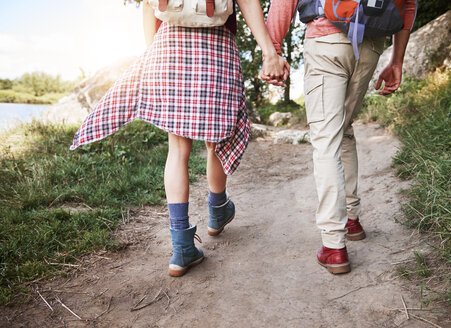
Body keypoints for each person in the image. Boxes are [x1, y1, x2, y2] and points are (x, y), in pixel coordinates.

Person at [71, 0, 289, 277]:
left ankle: (182, 247)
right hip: (217, 44)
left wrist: (152, 52)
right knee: (217, 140)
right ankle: (218, 210)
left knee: (177, 149)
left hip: (169, 43)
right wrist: (269, 52)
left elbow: (149, 7)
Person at [265, 0, 417, 274]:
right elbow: (408, 4)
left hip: (327, 40)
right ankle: (351, 219)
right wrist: (397, 60)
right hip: (371, 44)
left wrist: (272, 50)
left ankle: (334, 245)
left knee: (326, 141)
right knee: (343, 129)